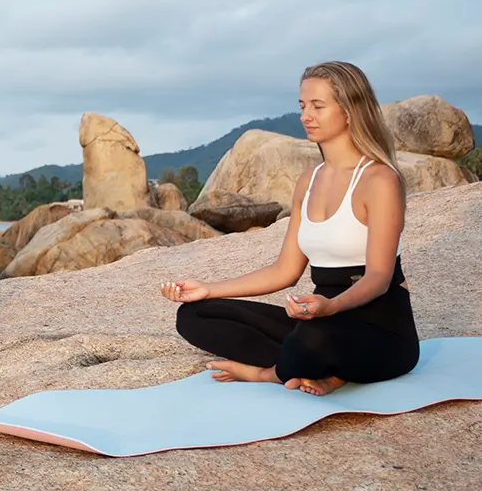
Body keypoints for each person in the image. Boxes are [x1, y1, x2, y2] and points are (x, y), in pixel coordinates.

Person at [162, 61, 419, 396]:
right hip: (318, 319)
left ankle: (269, 374)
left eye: (318, 106)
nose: (305, 116)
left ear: (350, 110)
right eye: (302, 106)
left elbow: (379, 277)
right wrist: (208, 289)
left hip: (380, 331)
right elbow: (285, 270)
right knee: (195, 316)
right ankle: (312, 366)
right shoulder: (309, 181)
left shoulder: (379, 179)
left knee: (314, 339)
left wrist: (331, 306)